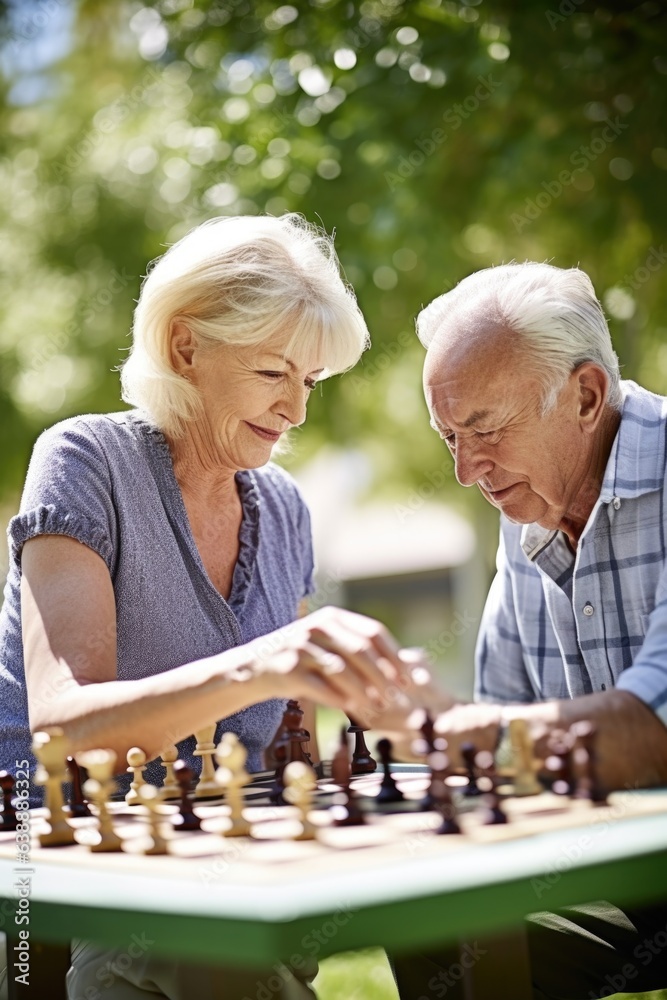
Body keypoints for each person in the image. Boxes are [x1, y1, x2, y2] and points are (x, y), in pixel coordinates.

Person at [0, 213, 425, 1000]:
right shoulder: (83, 460)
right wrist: (263, 662)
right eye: (273, 374)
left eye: (310, 381)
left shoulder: (286, 506)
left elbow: (290, 728)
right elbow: (65, 725)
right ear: (184, 346)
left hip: (235, 877)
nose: (296, 410)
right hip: (64, 879)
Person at [391, 261, 667, 1000]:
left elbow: (652, 728)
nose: (463, 469)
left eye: (482, 428)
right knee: (431, 913)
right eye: (447, 435)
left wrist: (455, 732)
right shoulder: (526, 511)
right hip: (621, 865)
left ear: (584, 395)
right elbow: (501, 734)